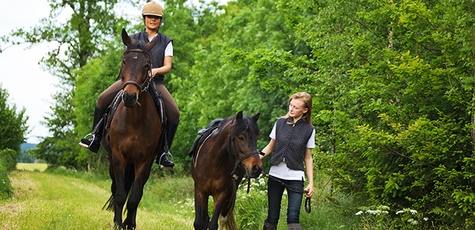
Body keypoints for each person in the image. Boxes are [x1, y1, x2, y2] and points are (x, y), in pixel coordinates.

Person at [79, 1, 179, 168]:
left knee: (174, 113)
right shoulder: (132, 39)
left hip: (155, 81)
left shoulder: (166, 42)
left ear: (160, 20)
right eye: (150, 17)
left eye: (156, 18)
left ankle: (163, 151)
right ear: (144, 18)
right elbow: (127, 62)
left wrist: (155, 71)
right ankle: (95, 136)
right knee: (102, 99)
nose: (153, 20)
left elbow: (168, 66)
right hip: (132, 81)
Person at [259, 92, 315, 230]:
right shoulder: (279, 123)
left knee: (293, 218)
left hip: (295, 177)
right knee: (272, 217)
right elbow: (270, 147)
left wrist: (311, 183)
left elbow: (308, 157)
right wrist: (254, 159)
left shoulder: (309, 130)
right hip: (275, 175)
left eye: (296, 107)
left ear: (305, 110)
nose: (291, 109)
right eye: (290, 105)